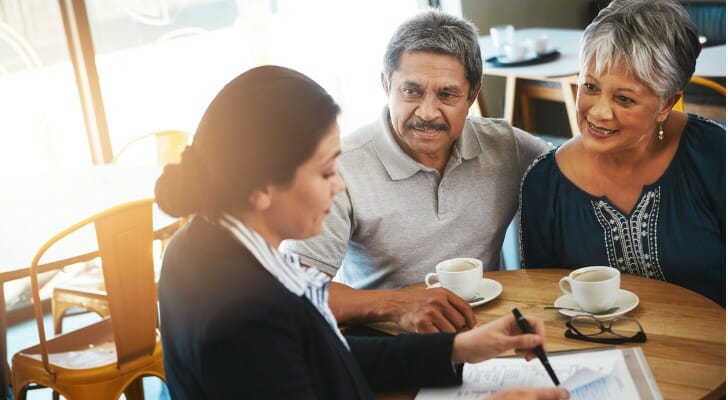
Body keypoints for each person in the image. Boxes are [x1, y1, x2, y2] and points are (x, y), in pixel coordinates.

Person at [155, 65, 569, 399]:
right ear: (262, 188)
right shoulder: (245, 314)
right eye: (325, 171)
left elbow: (322, 354)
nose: (338, 185)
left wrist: (460, 349)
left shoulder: (198, 247)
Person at [282, 9, 551, 333]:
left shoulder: (507, 146)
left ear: (472, 95)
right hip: (387, 346)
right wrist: (397, 305)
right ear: (386, 84)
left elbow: (572, 168)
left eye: (447, 94)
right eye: (411, 91)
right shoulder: (341, 167)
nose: (427, 112)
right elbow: (294, 292)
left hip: (488, 333)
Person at [519, 0, 725, 307]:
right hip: (593, 351)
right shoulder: (543, 184)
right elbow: (541, 302)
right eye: (589, 86)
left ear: (667, 104)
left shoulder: (713, 154)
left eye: (625, 99)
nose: (599, 113)